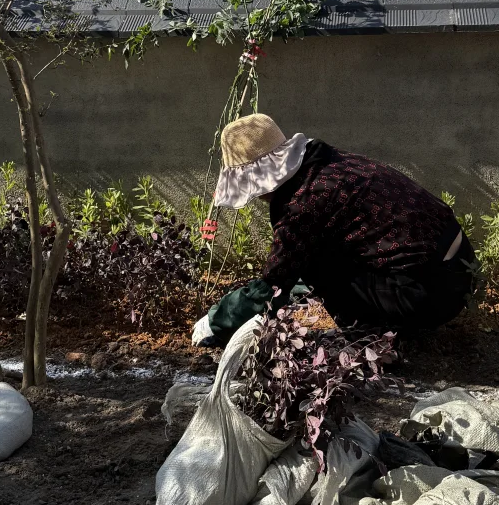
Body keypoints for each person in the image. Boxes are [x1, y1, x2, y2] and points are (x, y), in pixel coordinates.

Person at [192, 113, 476, 346]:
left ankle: (370, 343)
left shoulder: (301, 204)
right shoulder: (327, 163)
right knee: (320, 257)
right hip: (461, 269)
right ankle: (390, 320)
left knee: (318, 263)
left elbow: (273, 286)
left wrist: (217, 321)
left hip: (434, 293)